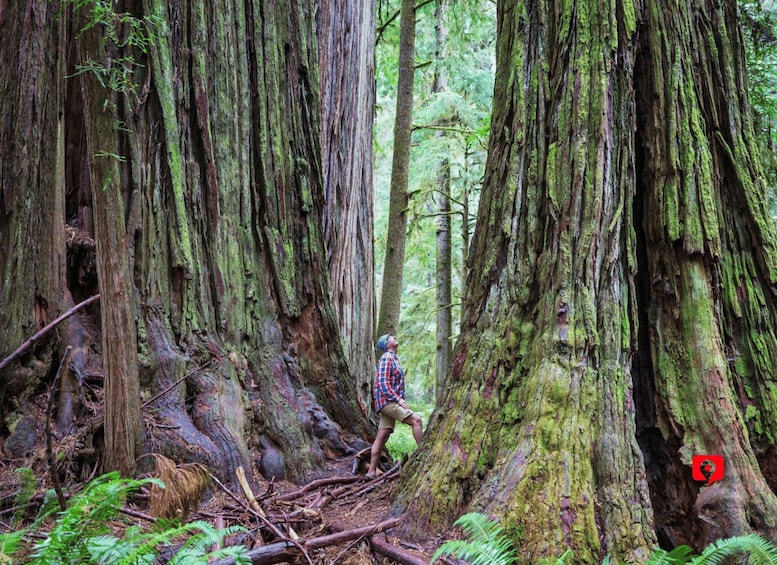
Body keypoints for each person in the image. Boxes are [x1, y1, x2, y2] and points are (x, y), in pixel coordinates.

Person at [366, 333, 423, 478]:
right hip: (388, 402)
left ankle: (371, 471)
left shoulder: (393, 359)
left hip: (388, 402)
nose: (394, 337)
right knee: (416, 420)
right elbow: (383, 384)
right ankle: (424, 454)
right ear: (386, 344)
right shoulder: (387, 358)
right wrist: (399, 400)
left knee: (382, 435)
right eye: (391, 337)